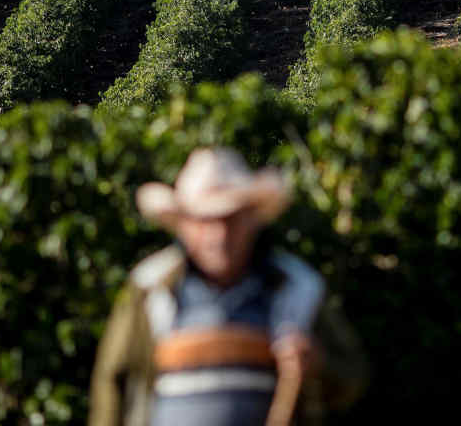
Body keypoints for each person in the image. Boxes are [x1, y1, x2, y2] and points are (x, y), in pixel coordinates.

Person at [90, 147, 368, 426]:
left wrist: (316, 362)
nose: (219, 235)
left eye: (230, 218)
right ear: (183, 224)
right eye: (205, 220)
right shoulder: (150, 287)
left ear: (252, 219)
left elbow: (352, 376)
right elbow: (113, 383)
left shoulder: (297, 286)